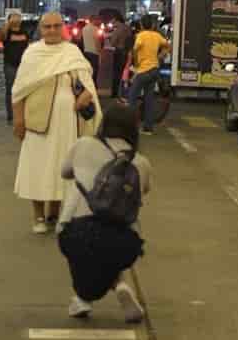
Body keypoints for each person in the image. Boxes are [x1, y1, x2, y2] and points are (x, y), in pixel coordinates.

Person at [58, 101, 150, 322]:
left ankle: (83, 298)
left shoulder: (83, 145)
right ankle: (116, 283)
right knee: (107, 246)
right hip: (123, 242)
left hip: (76, 233)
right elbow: (143, 191)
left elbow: (65, 172)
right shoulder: (141, 162)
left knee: (81, 251)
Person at [12, 11, 101, 234]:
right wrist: (19, 120)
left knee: (62, 169)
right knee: (37, 169)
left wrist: (86, 95)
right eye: (47, 27)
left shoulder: (72, 52)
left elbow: (87, 83)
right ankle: (38, 216)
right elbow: (19, 91)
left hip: (68, 124)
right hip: (38, 124)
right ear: (40, 29)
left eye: (56, 26)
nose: (52, 31)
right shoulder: (32, 54)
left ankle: (55, 213)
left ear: (63, 27)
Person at [127, 16, 170, 135]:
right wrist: (160, 56)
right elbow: (167, 46)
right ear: (152, 25)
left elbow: (135, 49)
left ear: (141, 25)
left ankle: (130, 127)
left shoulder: (141, 35)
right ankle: (148, 128)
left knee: (132, 98)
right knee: (149, 99)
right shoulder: (157, 36)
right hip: (154, 69)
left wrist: (136, 62)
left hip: (143, 70)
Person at [2, 12, 30, 123]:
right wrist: (8, 24)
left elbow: (29, 45)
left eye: (19, 17)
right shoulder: (7, 32)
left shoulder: (25, 31)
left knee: (24, 90)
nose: (17, 19)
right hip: (10, 64)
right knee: (11, 90)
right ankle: (11, 115)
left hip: (24, 65)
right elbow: (0, 36)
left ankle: (22, 113)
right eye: (14, 17)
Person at [109, 15, 134, 99]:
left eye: (112, 21)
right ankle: (124, 92)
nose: (112, 23)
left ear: (116, 20)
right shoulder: (128, 28)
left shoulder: (117, 30)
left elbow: (112, 43)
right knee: (126, 73)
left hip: (119, 52)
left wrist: (110, 38)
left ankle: (115, 93)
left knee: (116, 73)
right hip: (127, 52)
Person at [82, 19, 101, 84]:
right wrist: (99, 51)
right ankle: (93, 86)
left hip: (86, 52)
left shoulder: (84, 28)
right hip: (94, 52)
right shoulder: (95, 28)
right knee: (94, 72)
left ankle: (85, 86)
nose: (98, 22)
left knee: (87, 71)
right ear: (94, 20)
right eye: (97, 20)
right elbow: (97, 41)